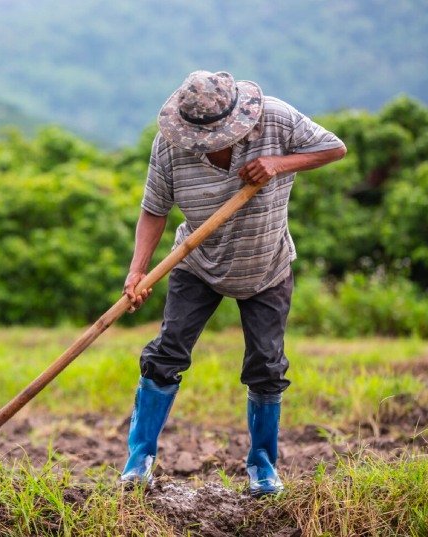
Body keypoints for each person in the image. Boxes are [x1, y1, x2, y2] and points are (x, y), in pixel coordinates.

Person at [120, 70, 347, 496]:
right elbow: (154, 209)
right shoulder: (170, 145)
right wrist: (138, 270)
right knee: (166, 354)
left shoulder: (276, 119)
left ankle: (263, 468)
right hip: (197, 262)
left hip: (267, 264)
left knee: (266, 366)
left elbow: (334, 148)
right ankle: (138, 463)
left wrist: (278, 164)